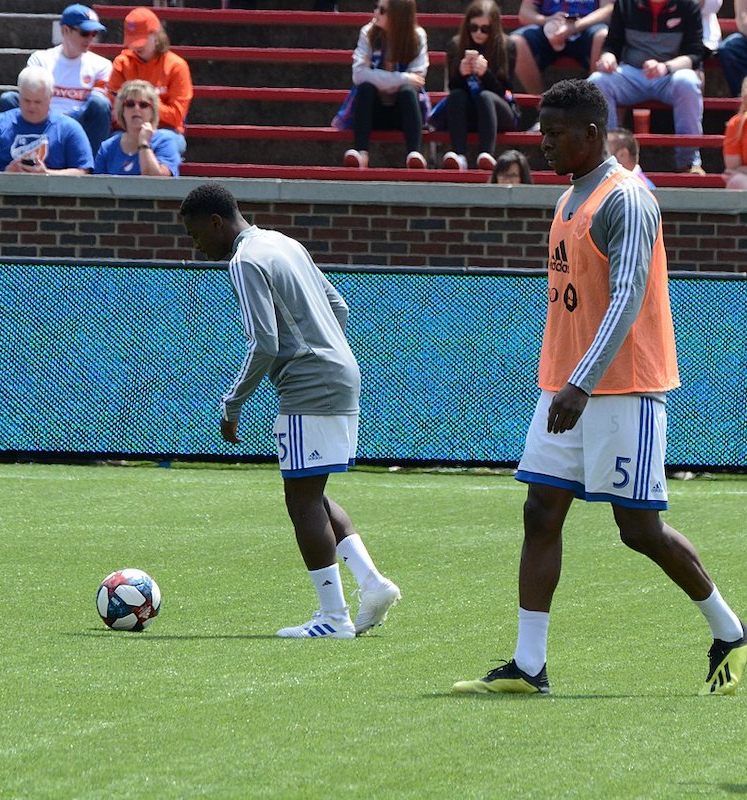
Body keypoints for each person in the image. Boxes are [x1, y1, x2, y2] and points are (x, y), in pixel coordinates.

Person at [452, 79, 747, 696]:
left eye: (555, 133)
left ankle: (731, 632)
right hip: (566, 386)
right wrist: (567, 382)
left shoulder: (628, 200)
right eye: (542, 132)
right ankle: (529, 665)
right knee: (540, 510)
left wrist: (581, 383)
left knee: (637, 528)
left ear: (592, 134)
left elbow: (627, 298)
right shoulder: (570, 197)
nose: (543, 144)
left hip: (621, 388)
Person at [179, 182, 401, 639]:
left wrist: (233, 402)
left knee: (300, 500)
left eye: (196, 235)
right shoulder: (283, 242)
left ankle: (334, 618)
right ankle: (373, 584)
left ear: (216, 222)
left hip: (309, 385)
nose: (196, 247)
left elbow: (264, 343)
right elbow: (339, 304)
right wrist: (325, 350)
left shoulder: (244, 260)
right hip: (340, 373)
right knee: (311, 493)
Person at [588, 0, 707, 175]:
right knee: (598, 81)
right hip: (632, 74)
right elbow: (612, 44)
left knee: (687, 82)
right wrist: (608, 57)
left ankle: (688, 162)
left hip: (670, 75)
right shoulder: (624, 4)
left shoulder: (688, 5)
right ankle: (606, 160)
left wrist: (665, 67)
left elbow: (695, 53)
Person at [0, 4, 112, 154]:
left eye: (94, 33)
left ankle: (90, 166)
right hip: (41, 120)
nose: (90, 38)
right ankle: (17, 155)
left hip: (80, 126)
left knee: (101, 105)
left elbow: (98, 104)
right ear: (65, 30)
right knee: (9, 99)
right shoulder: (40, 59)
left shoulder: (102, 65)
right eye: (85, 33)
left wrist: (64, 123)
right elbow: (29, 96)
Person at [340, 0, 430, 169]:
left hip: (402, 112)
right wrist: (402, 78)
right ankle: (362, 154)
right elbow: (358, 75)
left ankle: (414, 154)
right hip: (373, 111)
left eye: (382, 10)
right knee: (365, 88)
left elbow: (418, 80)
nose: (376, 12)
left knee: (408, 92)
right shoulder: (368, 32)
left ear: (398, 15)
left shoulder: (417, 36)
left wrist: (376, 76)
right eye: (375, 6)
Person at [434, 0, 519, 172]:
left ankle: (486, 154)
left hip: (498, 111)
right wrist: (461, 73)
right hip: (468, 113)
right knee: (457, 95)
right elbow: (453, 87)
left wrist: (486, 74)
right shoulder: (456, 45)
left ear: (493, 28)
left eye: (484, 29)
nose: (478, 33)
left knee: (485, 96)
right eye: (474, 27)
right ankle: (459, 156)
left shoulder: (506, 45)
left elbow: (506, 90)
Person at [0, 66, 93, 175]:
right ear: (19, 95)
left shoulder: (69, 128)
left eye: (38, 102)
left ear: (50, 97)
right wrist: (4, 175)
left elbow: (82, 172)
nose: (32, 107)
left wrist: (47, 174)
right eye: (26, 100)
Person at [109, 7, 194, 155]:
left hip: (165, 130)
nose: (136, 46)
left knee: (167, 142)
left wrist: (139, 105)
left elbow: (176, 116)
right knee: (112, 145)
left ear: (156, 35)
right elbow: (115, 111)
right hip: (128, 130)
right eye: (132, 40)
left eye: (141, 40)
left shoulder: (176, 66)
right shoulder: (121, 63)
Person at [509, 1, 614, 96]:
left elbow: (608, 9)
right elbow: (525, 13)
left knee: (603, 36)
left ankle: (594, 107)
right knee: (515, 42)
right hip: (548, 28)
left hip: (587, 26)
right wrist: (547, 20)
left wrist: (576, 26)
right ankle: (542, 108)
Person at [94, 80, 181, 177]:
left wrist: (143, 143)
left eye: (143, 105)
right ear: (122, 111)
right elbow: (96, 187)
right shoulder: (108, 147)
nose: (136, 108)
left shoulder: (165, 142)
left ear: (152, 112)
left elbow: (157, 181)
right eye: (130, 104)